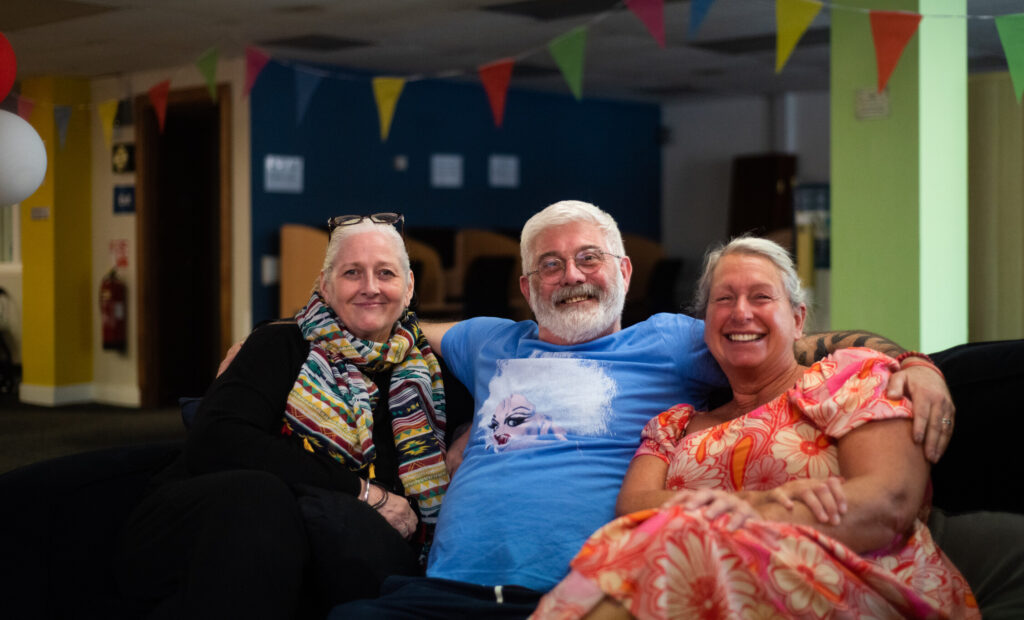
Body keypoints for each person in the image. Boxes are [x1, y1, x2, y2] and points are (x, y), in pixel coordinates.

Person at [333, 201, 953, 619]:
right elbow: (384, 322)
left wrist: (916, 364)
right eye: (549, 265)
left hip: (574, 593)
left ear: (624, 272)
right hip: (440, 589)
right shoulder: (489, 340)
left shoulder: (673, 340)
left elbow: (782, 340)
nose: (570, 275)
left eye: (588, 258)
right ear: (527, 288)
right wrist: (277, 339)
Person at [532, 236, 978, 618]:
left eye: (761, 297)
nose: (740, 312)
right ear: (704, 325)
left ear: (798, 319)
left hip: (854, 579)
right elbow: (633, 511)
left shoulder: (852, 377)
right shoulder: (673, 426)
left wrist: (729, 521)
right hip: (692, 579)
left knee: (684, 540)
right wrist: (759, 500)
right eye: (723, 299)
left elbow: (888, 504)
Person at [115, 213, 469, 619]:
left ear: (408, 289)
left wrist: (467, 430)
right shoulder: (280, 344)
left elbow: (514, 375)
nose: (370, 287)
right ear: (325, 285)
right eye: (352, 272)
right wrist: (363, 493)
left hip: (331, 543)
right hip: (215, 521)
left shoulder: (429, 369)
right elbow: (218, 440)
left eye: (385, 273)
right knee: (262, 500)